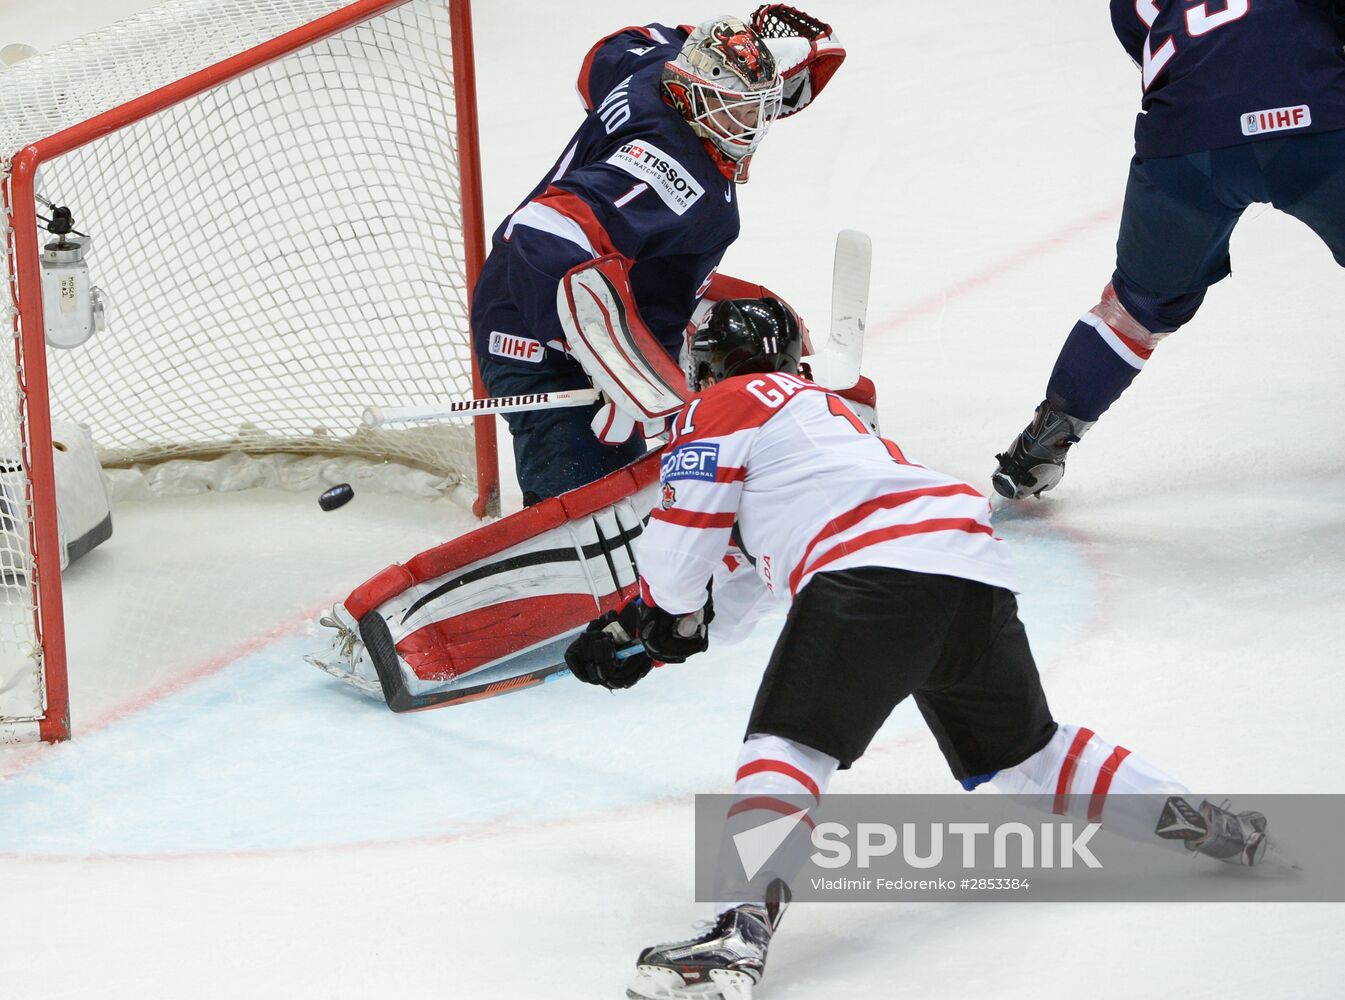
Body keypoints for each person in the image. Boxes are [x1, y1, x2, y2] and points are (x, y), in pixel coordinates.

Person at [565, 297, 1281, 1000]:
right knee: (1028, 753)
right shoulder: (819, 434)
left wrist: (652, 619)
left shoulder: (730, 401)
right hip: (966, 568)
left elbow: (680, 549)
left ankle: (734, 931)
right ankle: (1213, 828)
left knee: (789, 740)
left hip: (873, 570)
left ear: (704, 365)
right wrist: (654, 639)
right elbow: (734, 592)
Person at [470, 7, 843, 505]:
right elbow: (542, 231)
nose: (755, 125)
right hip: (538, 338)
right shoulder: (674, 174)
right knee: (603, 518)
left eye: (760, 107)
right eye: (741, 108)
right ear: (695, 93)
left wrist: (749, 49)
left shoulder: (657, 65)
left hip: (601, 302)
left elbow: (601, 59)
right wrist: (625, 375)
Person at [992, 0, 1345, 499]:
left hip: (1188, 137)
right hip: (1315, 118)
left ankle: (1044, 439)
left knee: (1135, 310)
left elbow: (1158, 55)